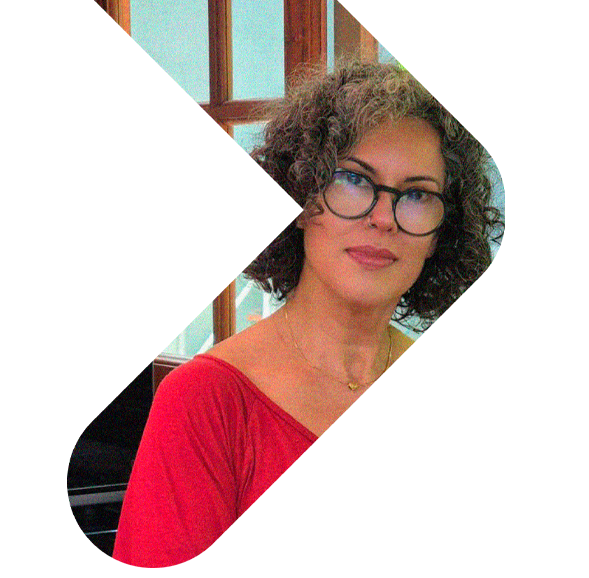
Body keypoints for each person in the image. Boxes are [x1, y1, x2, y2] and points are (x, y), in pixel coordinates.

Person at [112, 60, 505, 567]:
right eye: (353, 180)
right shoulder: (205, 403)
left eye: (416, 194)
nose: (382, 218)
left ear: (439, 235)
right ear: (300, 199)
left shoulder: (473, 402)